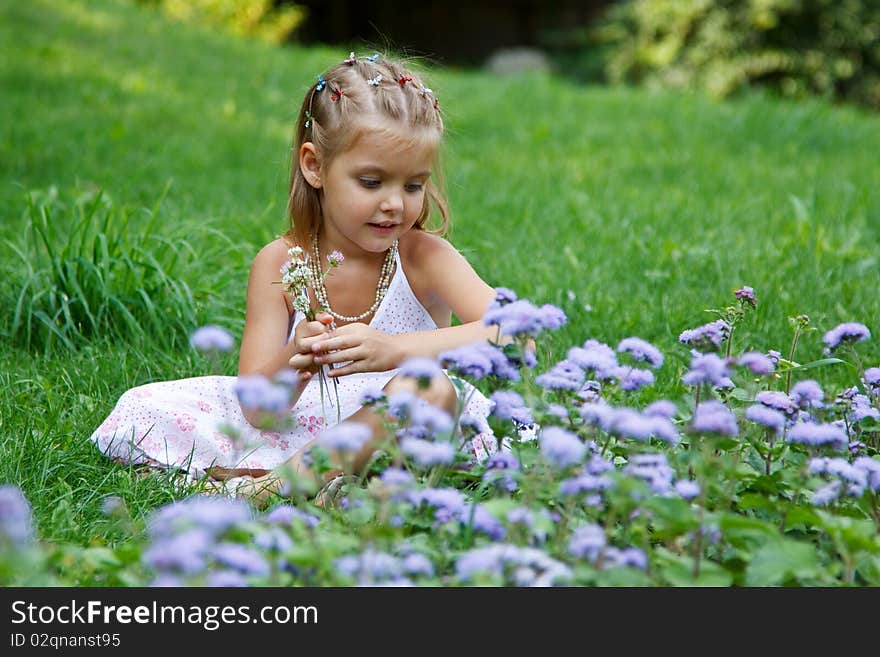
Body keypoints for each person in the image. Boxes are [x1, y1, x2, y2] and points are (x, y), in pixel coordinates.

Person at [89, 52, 505, 502]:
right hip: (306, 422)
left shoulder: (422, 256)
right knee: (147, 411)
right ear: (314, 166)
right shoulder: (280, 263)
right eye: (371, 182)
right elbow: (256, 408)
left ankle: (269, 487)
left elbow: (516, 333)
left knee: (428, 387)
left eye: (413, 185)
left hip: (406, 421)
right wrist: (295, 358)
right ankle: (332, 482)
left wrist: (397, 350)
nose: (395, 204)